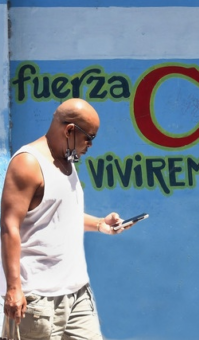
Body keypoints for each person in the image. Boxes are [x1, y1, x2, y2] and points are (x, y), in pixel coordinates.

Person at [0, 98, 130, 339]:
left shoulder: (67, 162)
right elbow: (9, 227)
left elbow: (61, 216)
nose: (91, 144)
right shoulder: (28, 163)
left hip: (77, 294)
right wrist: (13, 288)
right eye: (89, 137)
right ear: (70, 130)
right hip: (37, 300)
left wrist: (101, 224)